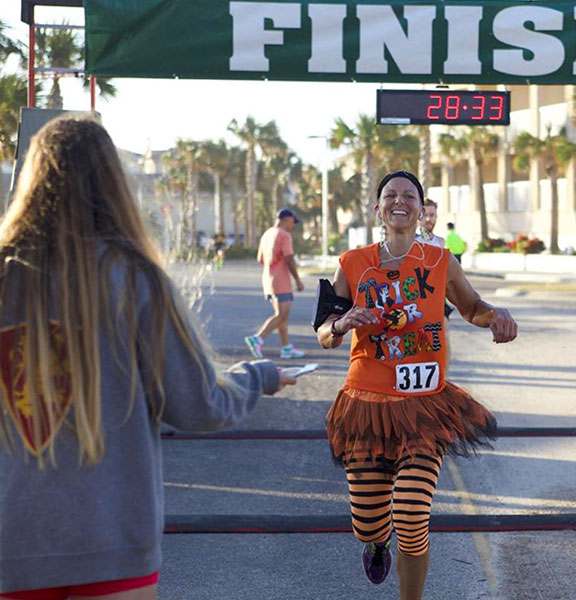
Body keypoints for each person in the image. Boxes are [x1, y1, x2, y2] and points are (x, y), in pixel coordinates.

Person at [0, 116, 295, 599]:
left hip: (12, 540)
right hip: (112, 534)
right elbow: (197, 405)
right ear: (112, 183)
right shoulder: (135, 277)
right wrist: (259, 377)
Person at [315, 171, 517, 600]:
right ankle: (375, 542)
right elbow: (323, 330)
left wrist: (495, 315)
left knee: (411, 514)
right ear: (378, 209)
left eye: (410, 195)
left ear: (422, 209)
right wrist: (341, 323)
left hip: (424, 406)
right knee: (368, 521)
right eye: (391, 195)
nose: (400, 201)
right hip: (365, 406)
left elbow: (472, 307)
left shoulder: (441, 261)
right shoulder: (352, 263)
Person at [245, 208, 306, 359]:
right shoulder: (284, 235)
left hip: (268, 279)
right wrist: (298, 280)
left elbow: (260, 258)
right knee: (281, 315)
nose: (293, 225)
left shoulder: (267, 234)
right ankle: (258, 338)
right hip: (281, 282)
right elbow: (289, 258)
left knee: (282, 317)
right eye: (292, 222)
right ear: (286, 220)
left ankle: (286, 348)